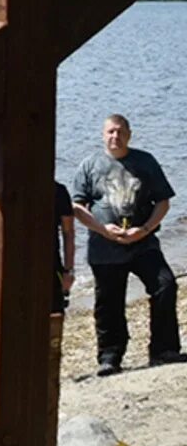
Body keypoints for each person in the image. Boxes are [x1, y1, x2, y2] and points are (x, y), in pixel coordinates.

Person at [71, 113, 184, 376]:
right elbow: (78, 206)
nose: (115, 136)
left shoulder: (144, 162)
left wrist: (144, 230)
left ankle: (163, 350)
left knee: (165, 284)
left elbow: (163, 202)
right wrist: (102, 229)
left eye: (120, 131)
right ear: (103, 135)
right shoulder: (90, 165)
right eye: (110, 131)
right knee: (109, 301)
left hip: (143, 244)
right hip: (104, 247)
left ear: (129, 134)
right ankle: (110, 356)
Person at [54, 181, 76, 314]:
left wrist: (69, 270)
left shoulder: (59, 191)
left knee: (55, 314)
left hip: (52, 264)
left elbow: (68, 233)